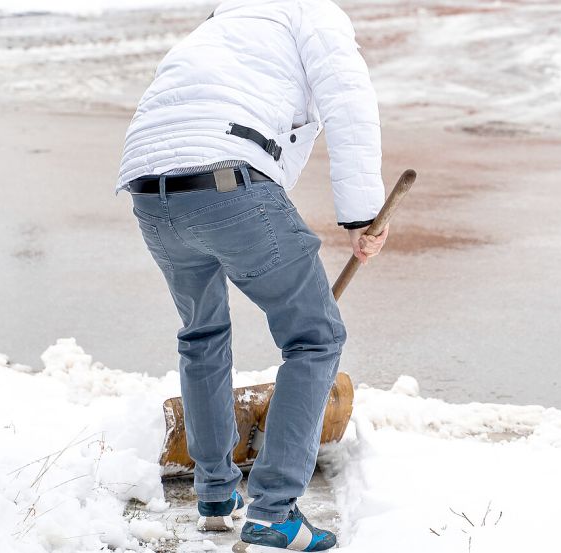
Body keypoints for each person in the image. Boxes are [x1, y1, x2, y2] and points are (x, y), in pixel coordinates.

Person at [116, 1, 387, 550]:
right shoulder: (311, 13)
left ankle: (215, 494)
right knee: (316, 337)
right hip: (228, 179)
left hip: (149, 191)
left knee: (202, 335)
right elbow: (349, 103)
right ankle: (275, 513)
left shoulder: (216, 28)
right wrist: (362, 215)